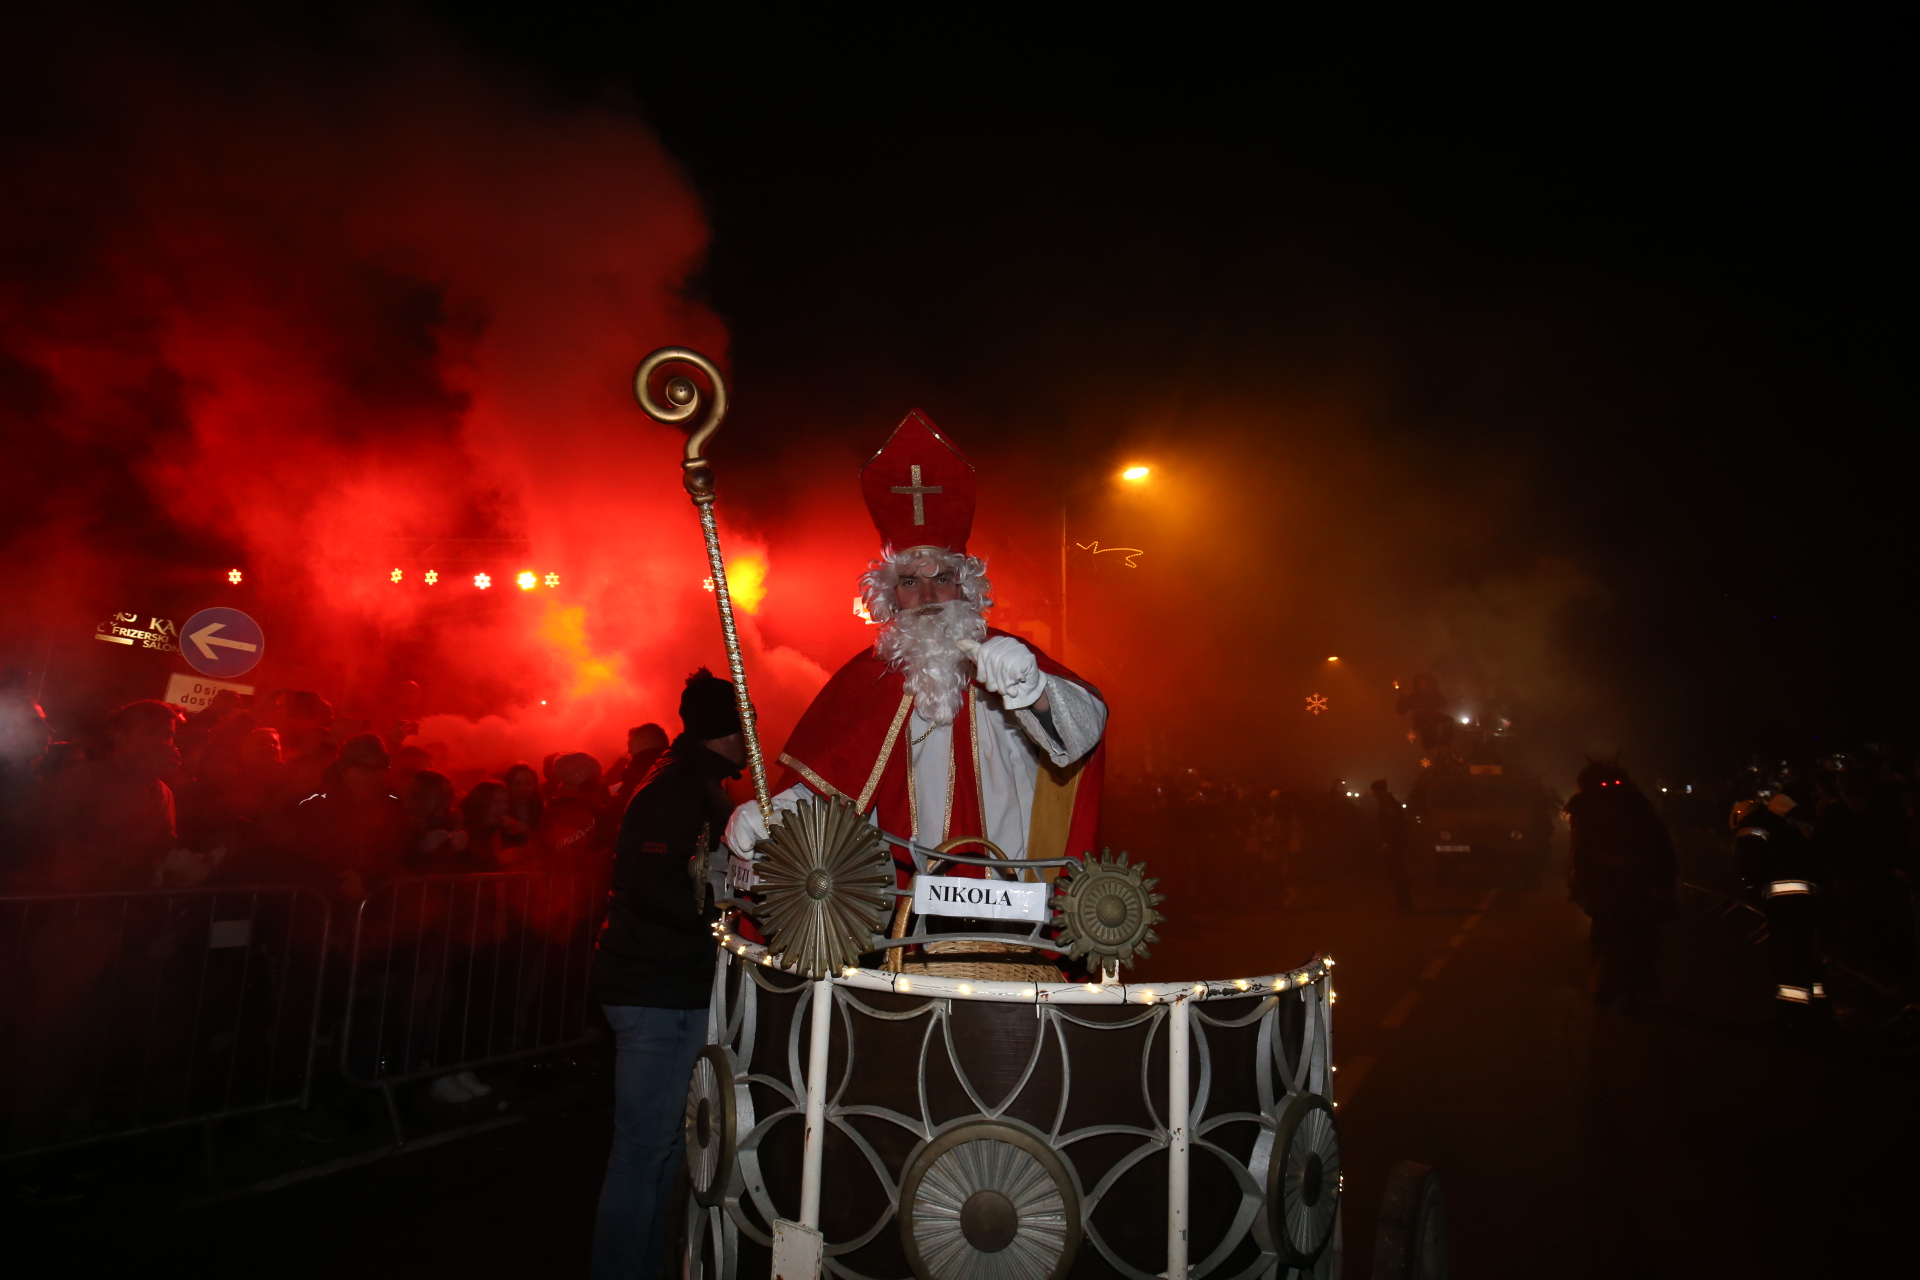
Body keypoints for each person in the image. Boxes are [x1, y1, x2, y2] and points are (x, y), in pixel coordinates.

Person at [724, 413, 1108, 948]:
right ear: (890, 597)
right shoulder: (868, 680)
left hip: (1019, 909)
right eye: (909, 582)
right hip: (903, 921)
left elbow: (1084, 731)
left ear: (965, 588)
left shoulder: (1012, 661)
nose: (928, 598)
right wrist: (769, 816)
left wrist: (1034, 689)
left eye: (942, 578)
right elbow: (830, 788)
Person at [588, 670, 741, 1280]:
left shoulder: (688, 780)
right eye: (747, 724)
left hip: (663, 982)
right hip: (659, 986)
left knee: (666, 1144)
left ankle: (645, 1263)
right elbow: (658, 887)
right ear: (728, 729)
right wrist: (725, 919)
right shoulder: (678, 789)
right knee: (645, 1149)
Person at [1565, 759, 1676, 1010]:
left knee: (1618, 937)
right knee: (1625, 937)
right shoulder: (1627, 806)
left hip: (1622, 885)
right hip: (1622, 885)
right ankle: (1618, 990)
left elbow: (1579, 853)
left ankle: (1614, 990)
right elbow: (1661, 846)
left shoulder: (1595, 807)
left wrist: (1579, 885)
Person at [46, 699, 184, 890]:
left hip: (135, 899)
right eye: (150, 733)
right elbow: (87, 845)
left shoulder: (161, 790)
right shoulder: (83, 779)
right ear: (119, 735)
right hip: (85, 896)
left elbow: (163, 847)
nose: (162, 743)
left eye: (168, 735)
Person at [1370, 779, 1415, 914]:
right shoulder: (1388, 802)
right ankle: (1402, 901)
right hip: (1396, 842)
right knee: (1396, 873)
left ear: (1378, 791)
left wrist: (1387, 841)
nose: (1372, 794)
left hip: (1395, 844)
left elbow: (1392, 825)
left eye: (1373, 791)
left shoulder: (1388, 803)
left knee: (1398, 872)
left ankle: (1405, 903)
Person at [610, 723, 669, 804]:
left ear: (646, 744)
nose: (629, 751)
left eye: (630, 746)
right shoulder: (677, 770)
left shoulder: (636, 781)